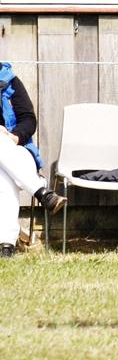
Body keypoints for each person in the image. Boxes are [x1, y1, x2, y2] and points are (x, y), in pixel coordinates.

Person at [0, 62, 66, 257]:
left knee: (4, 173)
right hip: (16, 164)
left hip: (18, 153)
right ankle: (41, 192)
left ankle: (6, 245)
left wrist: (14, 137)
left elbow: (28, 118)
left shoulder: (9, 81)